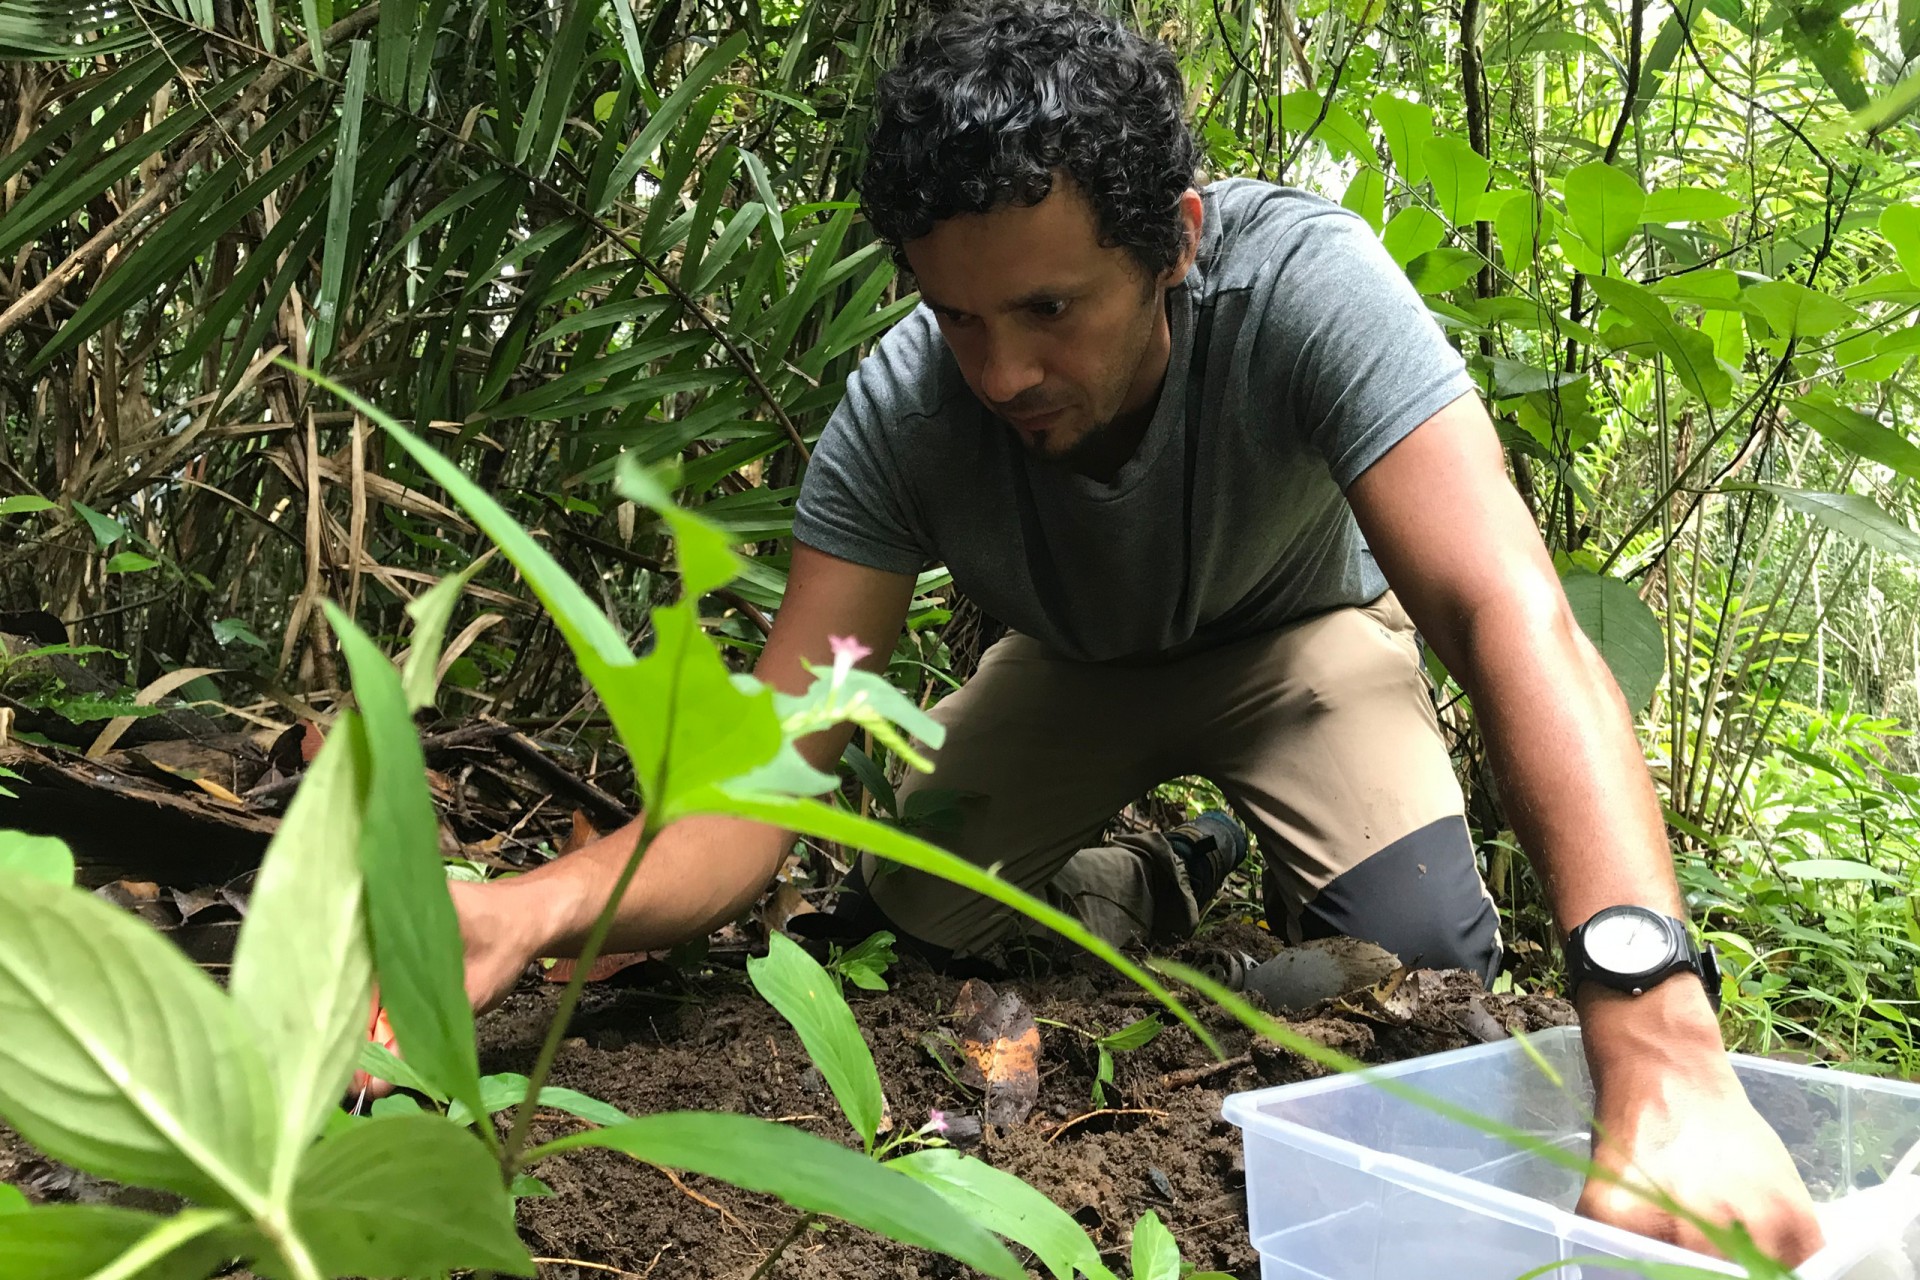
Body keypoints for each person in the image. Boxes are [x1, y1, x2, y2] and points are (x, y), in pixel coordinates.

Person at [443, 1, 1823, 1262]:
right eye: (958, 316)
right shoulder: (906, 413)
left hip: (1303, 648)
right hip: (1072, 672)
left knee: (1423, 971)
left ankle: (1239, 869)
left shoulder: (1303, 289)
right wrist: (526, 912)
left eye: (1051, 308)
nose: (1002, 375)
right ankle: (1153, 876)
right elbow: (769, 776)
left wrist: (1657, 1039)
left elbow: (1505, 609)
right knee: (916, 917)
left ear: (1177, 237)